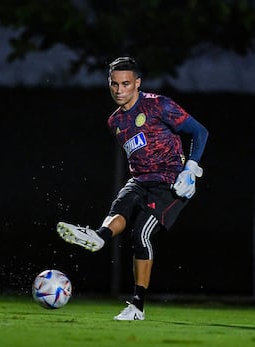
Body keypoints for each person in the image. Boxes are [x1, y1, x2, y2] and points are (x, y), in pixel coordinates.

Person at [57, 56, 208, 321]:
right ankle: (99, 237)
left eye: (125, 84)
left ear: (137, 83)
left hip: (171, 182)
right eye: (114, 84)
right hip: (139, 179)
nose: (119, 90)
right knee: (121, 206)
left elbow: (200, 132)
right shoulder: (115, 122)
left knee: (141, 234)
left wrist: (191, 170)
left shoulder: (159, 105)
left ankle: (137, 307)